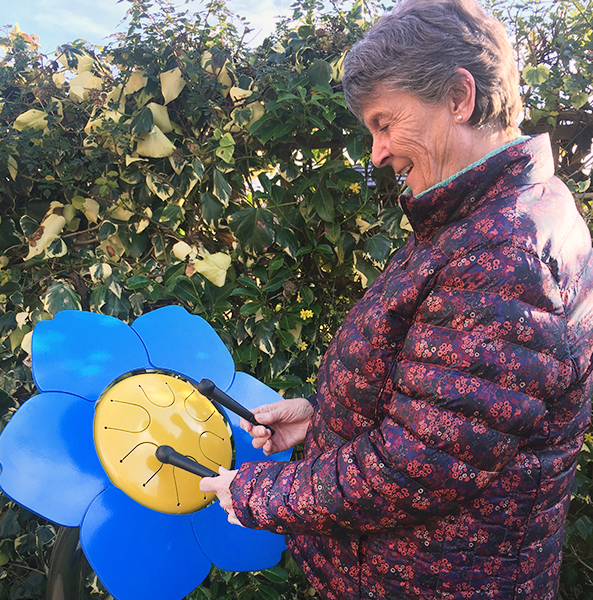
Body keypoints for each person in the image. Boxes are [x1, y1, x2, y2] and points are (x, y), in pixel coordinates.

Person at [200, 0, 593, 597]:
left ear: (459, 99)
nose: (377, 152)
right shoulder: (478, 218)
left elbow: (419, 467)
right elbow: (451, 411)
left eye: (385, 123)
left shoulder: (508, 251)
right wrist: (322, 419)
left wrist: (255, 493)